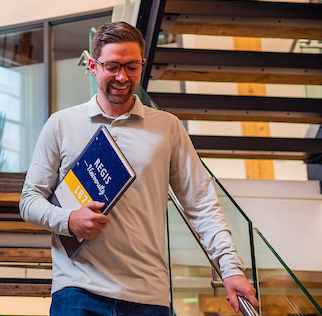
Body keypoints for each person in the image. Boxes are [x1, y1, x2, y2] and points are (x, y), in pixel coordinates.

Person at [19, 22, 259, 315]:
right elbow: (29, 201)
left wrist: (230, 269)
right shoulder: (61, 124)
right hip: (77, 290)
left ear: (142, 64)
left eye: (132, 67)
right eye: (113, 66)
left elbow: (202, 204)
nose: (122, 76)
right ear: (93, 66)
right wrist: (67, 219)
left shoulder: (167, 126)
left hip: (148, 295)